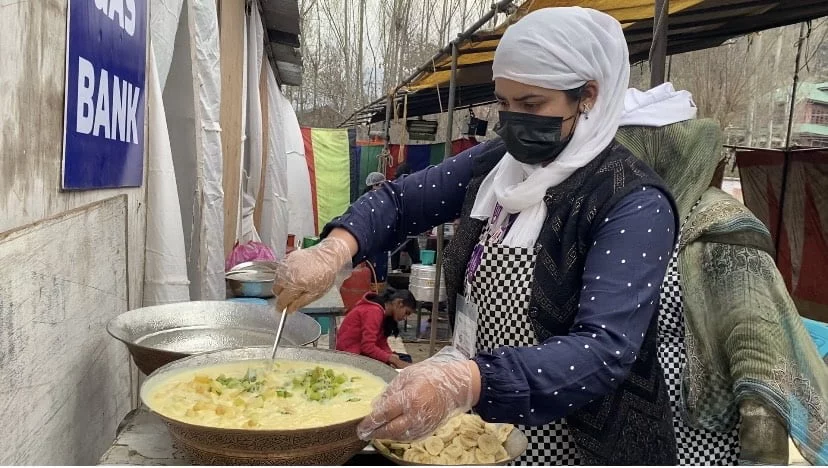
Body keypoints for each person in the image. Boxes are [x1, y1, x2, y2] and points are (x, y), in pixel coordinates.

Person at [274, 7, 680, 465]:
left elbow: (604, 349)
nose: (512, 121)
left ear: (588, 95)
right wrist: (335, 249)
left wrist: (466, 382)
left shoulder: (632, 201)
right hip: (487, 426)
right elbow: (400, 202)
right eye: (503, 103)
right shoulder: (496, 166)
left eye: (531, 106)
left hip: (585, 442)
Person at [616, 109, 828, 465]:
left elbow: (760, 364)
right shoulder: (627, 222)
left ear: (663, 160)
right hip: (622, 431)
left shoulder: (721, 233)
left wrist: (760, 459)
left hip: (694, 443)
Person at [336, 288, 416, 369]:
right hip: (350, 354)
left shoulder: (384, 312)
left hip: (360, 351)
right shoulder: (374, 311)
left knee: (404, 358)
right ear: (399, 303)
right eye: (406, 313)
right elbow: (367, 347)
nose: (405, 318)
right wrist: (391, 359)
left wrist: (390, 355)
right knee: (397, 364)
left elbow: (381, 342)